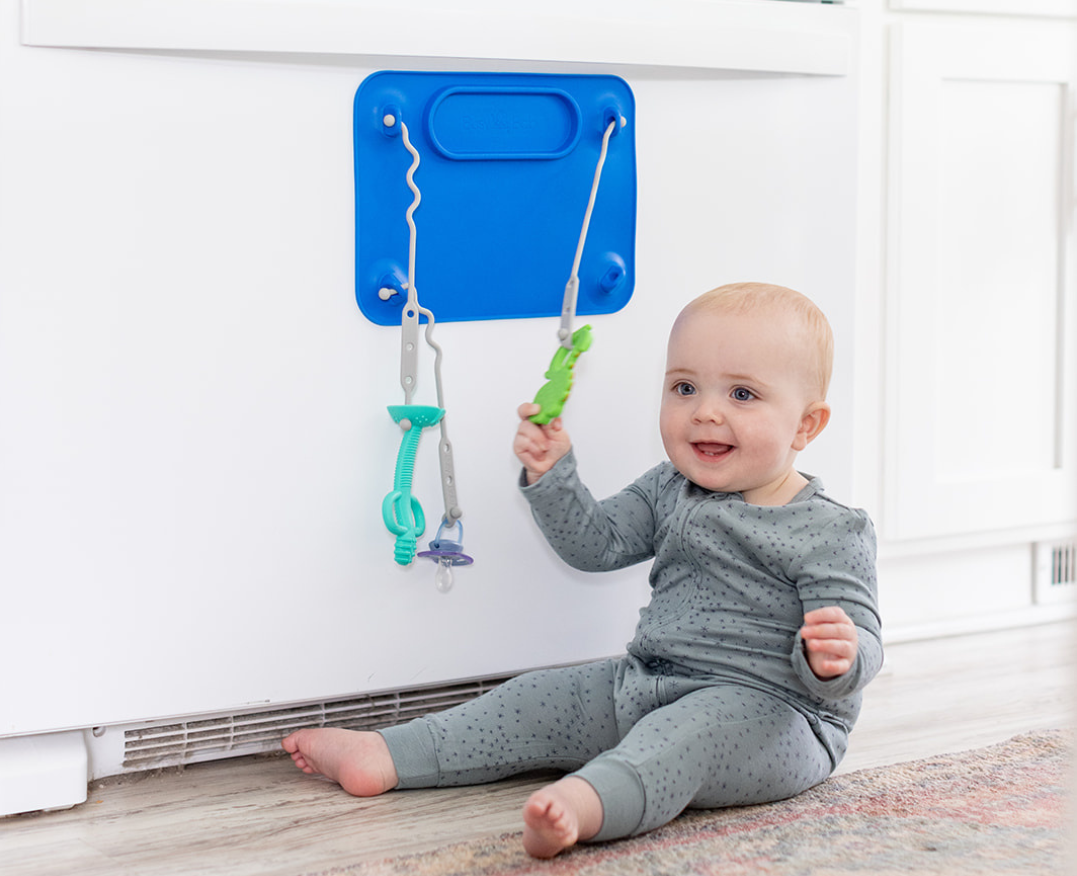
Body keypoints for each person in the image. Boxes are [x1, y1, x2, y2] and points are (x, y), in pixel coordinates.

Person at [283, 282, 882, 859]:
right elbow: (596, 545)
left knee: (681, 740)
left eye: (742, 395)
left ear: (806, 425)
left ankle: (586, 803)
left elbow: (863, 644)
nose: (704, 413)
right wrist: (554, 476)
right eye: (683, 388)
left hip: (775, 715)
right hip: (648, 683)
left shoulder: (833, 529)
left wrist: (837, 658)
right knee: (533, 698)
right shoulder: (670, 488)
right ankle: (388, 755)